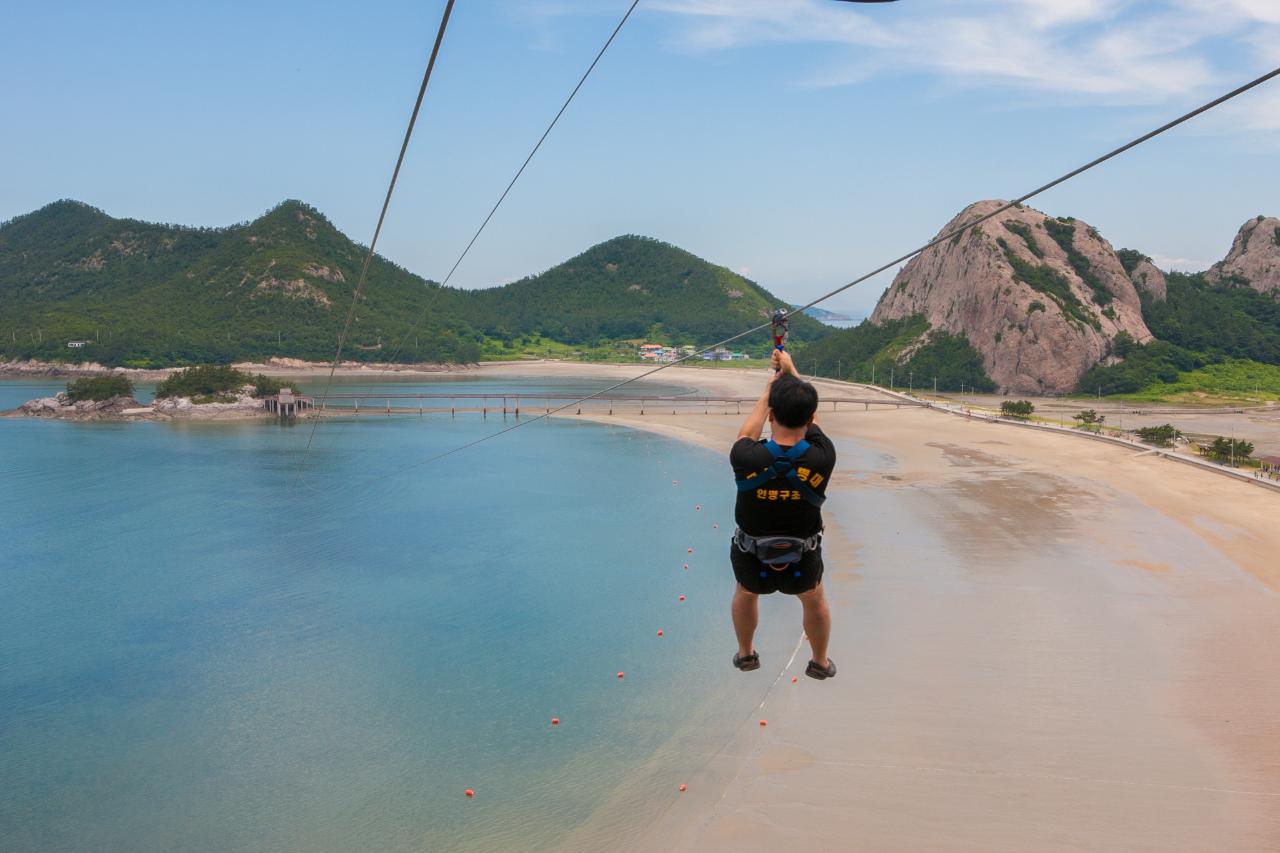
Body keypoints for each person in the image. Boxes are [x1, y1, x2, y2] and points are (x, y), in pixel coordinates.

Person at [728, 348, 837, 680]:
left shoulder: (746, 456)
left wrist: (768, 394)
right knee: (813, 598)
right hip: (802, 556)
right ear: (808, 417)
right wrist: (792, 373)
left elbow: (746, 433)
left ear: (772, 415)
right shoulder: (822, 457)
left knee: (745, 593)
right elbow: (811, 416)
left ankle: (746, 654)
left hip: (752, 554)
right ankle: (819, 661)